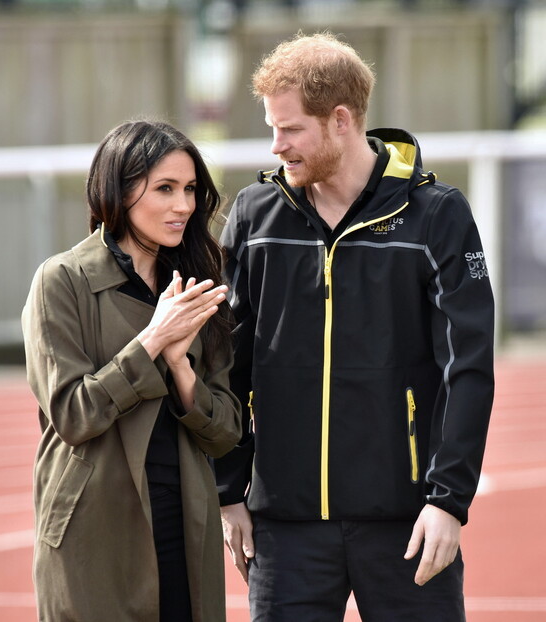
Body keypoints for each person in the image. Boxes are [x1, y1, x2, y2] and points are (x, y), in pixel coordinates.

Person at [214, 32, 495, 622]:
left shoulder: (437, 216)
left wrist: (448, 501)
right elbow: (227, 363)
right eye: (272, 127)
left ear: (340, 120)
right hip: (283, 527)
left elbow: (466, 367)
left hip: (407, 521)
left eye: (289, 129)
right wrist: (227, 491)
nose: (275, 145)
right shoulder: (254, 217)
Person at [22, 119, 241, 622]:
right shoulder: (62, 281)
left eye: (189, 190)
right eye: (165, 188)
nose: (184, 205)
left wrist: (180, 368)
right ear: (117, 191)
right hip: (94, 526)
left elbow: (226, 432)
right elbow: (73, 415)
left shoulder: (199, 284)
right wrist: (152, 341)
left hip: (185, 520)